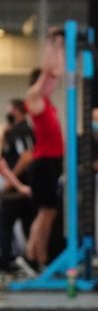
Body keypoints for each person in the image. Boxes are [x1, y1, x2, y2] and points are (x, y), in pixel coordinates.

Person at [24, 29, 65, 270]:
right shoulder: (33, 98)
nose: (51, 82)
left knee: (49, 214)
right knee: (44, 213)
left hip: (52, 162)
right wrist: (49, 42)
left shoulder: (46, 101)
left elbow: (56, 72)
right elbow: (48, 72)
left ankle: (41, 260)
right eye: (46, 81)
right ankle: (31, 256)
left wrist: (59, 45)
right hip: (42, 163)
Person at [0, 99, 36, 274]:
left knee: (7, 224)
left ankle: (7, 263)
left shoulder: (18, 132)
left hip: (17, 188)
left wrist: (13, 183)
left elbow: (26, 157)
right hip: (23, 185)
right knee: (27, 223)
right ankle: (31, 261)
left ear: (17, 110)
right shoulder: (24, 131)